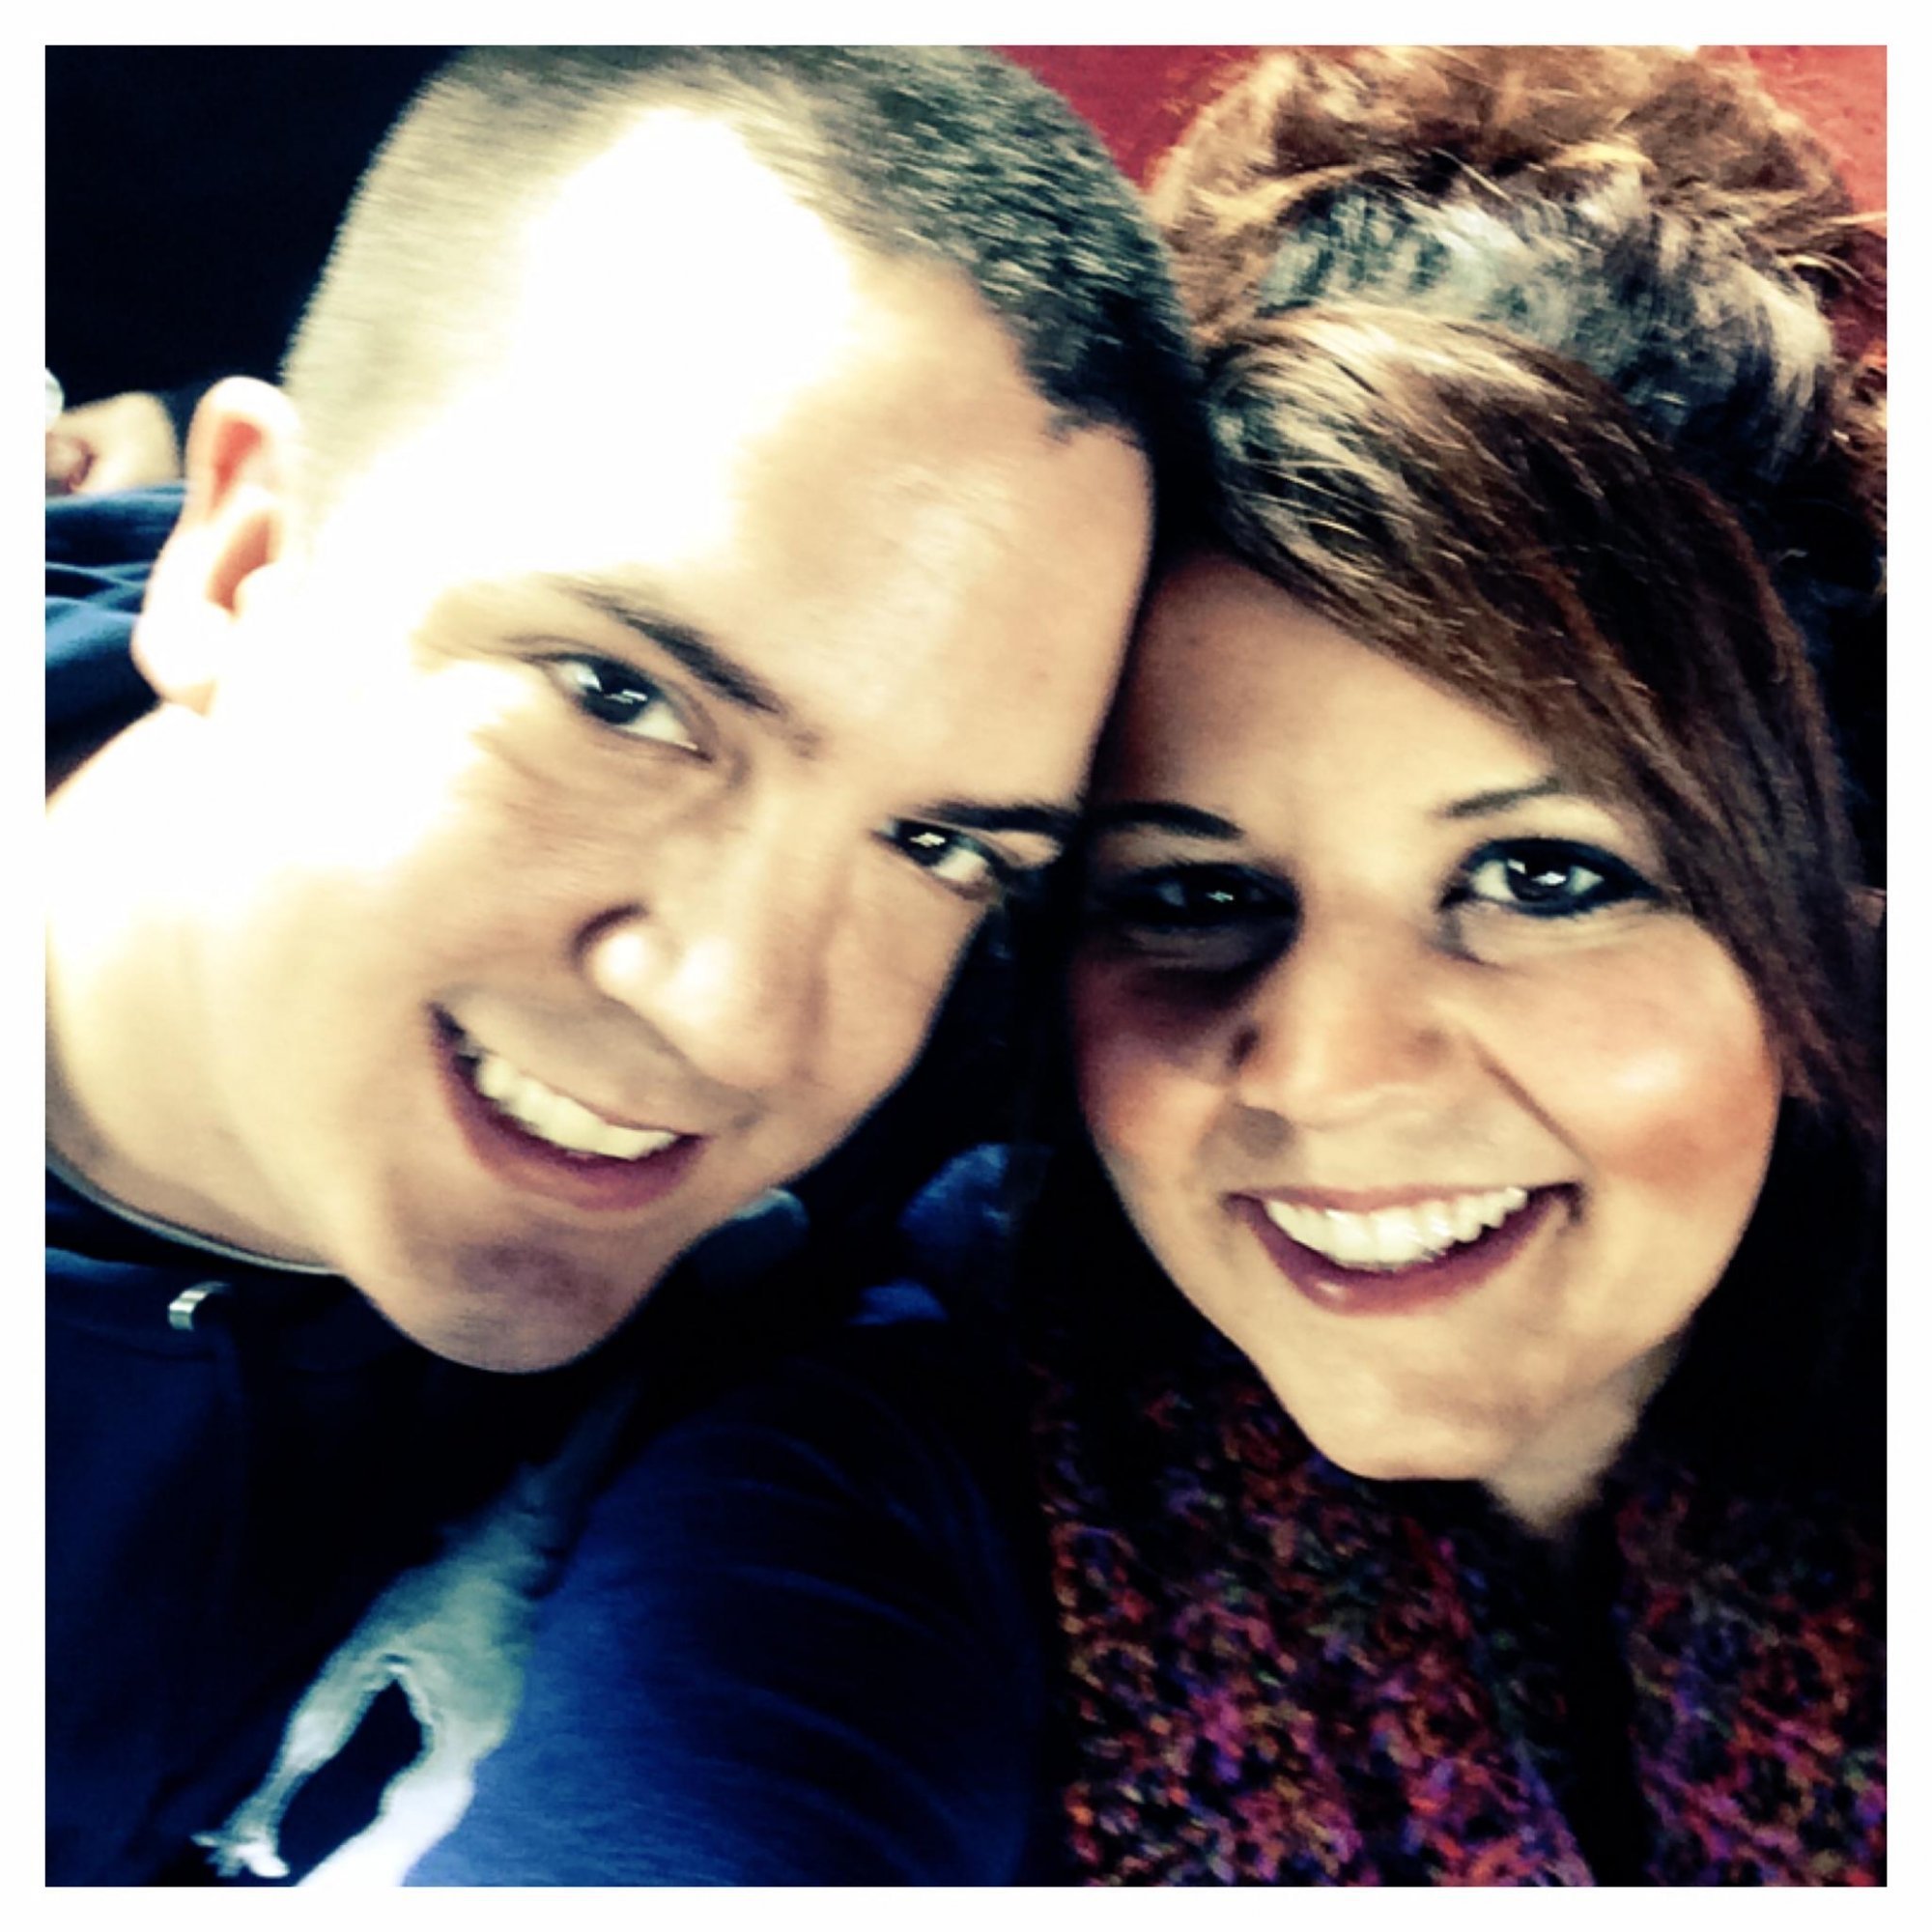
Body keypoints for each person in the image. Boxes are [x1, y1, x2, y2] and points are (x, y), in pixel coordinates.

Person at [46, 46, 1200, 1885]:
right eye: (619, 697)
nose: (739, 1018)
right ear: (247, 560)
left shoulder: (999, 1130)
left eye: (939, 846)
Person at [997, 48, 1884, 1884]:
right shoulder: (908, 1480)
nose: (1324, 1067)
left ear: (1838, 905)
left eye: (1545, 877)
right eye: (1190, 893)